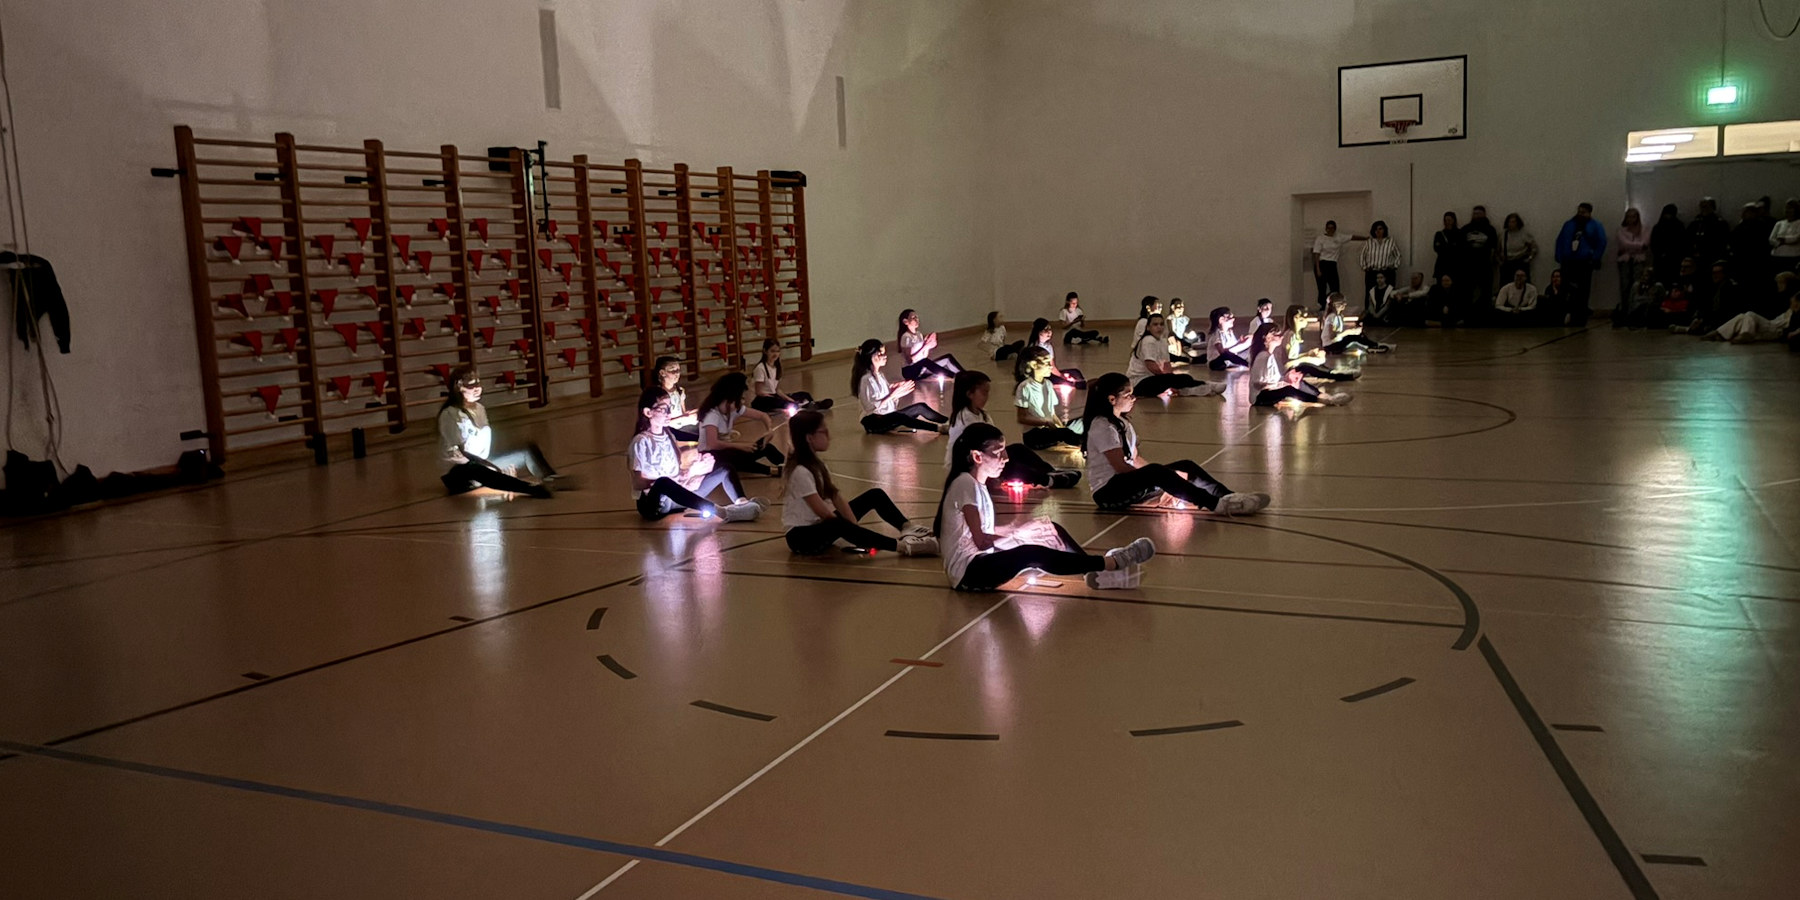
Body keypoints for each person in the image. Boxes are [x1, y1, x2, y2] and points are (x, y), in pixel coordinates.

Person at [936, 422, 1152, 591]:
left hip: (982, 561)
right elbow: (982, 542)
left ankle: (1093, 571)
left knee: (1050, 529)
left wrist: (1024, 530)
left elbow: (985, 534)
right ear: (977, 456)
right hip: (970, 572)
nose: (1006, 457)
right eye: (998, 451)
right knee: (1030, 553)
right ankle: (1112, 563)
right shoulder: (965, 483)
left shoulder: (976, 485)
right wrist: (1019, 535)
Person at [1081, 372, 1270, 513]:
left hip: (1126, 483)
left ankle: (1228, 495)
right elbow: (1121, 467)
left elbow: (1136, 459)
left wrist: (1164, 476)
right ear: (1112, 399)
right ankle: (1216, 505)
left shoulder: (1123, 422)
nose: (1133, 398)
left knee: (1184, 466)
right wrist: (1158, 481)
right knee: (1157, 472)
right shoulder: (1102, 426)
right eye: (1128, 394)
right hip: (1108, 493)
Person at [783, 410, 938, 556]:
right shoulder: (800, 471)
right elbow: (822, 512)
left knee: (874, 495)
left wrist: (854, 529)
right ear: (809, 438)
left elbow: (836, 497)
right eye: (823, 432)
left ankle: (907, 527)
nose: (829, 436)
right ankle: (903, 547)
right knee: (837, 524)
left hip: (819, 527)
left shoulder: (817, 465)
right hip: (802, 538)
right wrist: (849, 532)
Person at [630, 387, 762, 521]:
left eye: (670, 407)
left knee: (725, 469)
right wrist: (685, 475)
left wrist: (696, 468)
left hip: (677, 497)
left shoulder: (669, 436)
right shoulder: (641, 441)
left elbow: (678, 473)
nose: (669, 413)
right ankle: (722, 512)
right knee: (663, 482)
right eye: (664, 408)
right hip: (655, 505)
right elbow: (638, 483)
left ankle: (743, 504)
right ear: (648, 412)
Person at [437, 366, 557, 498]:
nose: (477, 388)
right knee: (473, 468)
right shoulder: (450, 414)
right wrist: (495, 468)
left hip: (482, 463)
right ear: (458, 387)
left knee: (526, 450)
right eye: (471, 385)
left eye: (478, 382)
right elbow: (464, 454)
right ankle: (529, 489)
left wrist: (493, 465)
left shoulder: (479, 409)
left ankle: (552, 480)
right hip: (461, 473)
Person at [945, 370, 1079, 489]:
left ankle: (1049, 471)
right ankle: (1047, 480)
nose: (987, 397)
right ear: (970, 394)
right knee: (1011, 466)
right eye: (984, 392)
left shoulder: (981, 414)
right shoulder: (964, 419)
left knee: (1018, 449)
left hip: (985, 458)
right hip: (970, 466)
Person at [697, 371, 786, 478]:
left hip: (728, 450)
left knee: (766, 447)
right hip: (712, 456)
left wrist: (769, 430)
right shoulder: (712, 415)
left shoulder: (734, 408)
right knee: (732, 460)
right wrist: (740, 446)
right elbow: (712, 444)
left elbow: (762, 416)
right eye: (741, 399)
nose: (743, 402)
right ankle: (772, 471)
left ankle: (787, 465)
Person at [853, 339, 948, 434]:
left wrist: (895, 391)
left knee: (920, 407)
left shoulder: (880, 375)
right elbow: (870, 407)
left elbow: (886, 399)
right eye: (881, 354)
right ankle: (939, 428)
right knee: (899, 417)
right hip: (874, 421)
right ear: (872, 357)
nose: (885, 357)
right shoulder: (866, 379)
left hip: (887, 415)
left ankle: (949, 422)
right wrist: (892, 395)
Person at [1249, 323, 1349, 408]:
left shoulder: (1269, 355)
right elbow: (1258, 384)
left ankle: (1322, 396)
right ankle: (1319, 400)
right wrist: (1282, 384)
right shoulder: (1262, 357)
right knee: (1289, 390)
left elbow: (1273, 379)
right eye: (1278, 335)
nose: (1281, 337)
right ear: (1268, 338)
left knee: (1298, 380)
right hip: (1260, 397)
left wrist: (1286, 380)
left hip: (1271, 389)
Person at [1129, 313, 1224, 398]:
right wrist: (1170, 380)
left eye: (1161, 324)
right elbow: (1151, 366)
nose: (1159, 327)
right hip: (1139, 382)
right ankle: (1206, 385)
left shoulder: (1162, 342)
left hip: (1154, 378)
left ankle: (1192, 388)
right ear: (1148, 327)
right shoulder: (1148, 340)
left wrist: (1172, 379)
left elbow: (1167, 365)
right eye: (1155, 324)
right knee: (1172, 380)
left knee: (1184, 378)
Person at [1013, 347, 1085, 450]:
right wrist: (1045, 422)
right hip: (1034, 435)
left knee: (1079, 423)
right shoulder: (1025, 387)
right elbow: (1022, 418)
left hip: (1049, 430)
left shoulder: (1048, 384)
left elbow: (1052, 414)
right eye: (1047, 363)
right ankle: (1084, 445)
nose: (1051, 366)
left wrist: (1060, 427)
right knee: (1065, 433)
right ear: (1033, 365)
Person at [1704, 272, 1795, 343]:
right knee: (1742, 316)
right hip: (1772, 324)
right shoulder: (1781, 297)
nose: (1779, 285)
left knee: (1750, 314)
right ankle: (1720, 333)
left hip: (1778, 329)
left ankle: (1745, 333)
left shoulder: (1794, 298)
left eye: (1781, 283)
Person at [1554, 203, 1606, 323]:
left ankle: (1580, 317)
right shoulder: (1568, 224)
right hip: (1568, 260)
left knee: (1583, 290)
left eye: (1583, 212)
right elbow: (1560, 240)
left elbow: (1601, 242)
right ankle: (1563, 315)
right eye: (1579, 211)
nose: (1580, 214)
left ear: (1589, 213)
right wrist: (1559, 255)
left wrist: (1595, 257)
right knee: (1565, 288)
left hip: (1584, 261)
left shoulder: (1596, 226)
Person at [750, 338, 830, 414]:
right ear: (765, 351)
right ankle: (804, 406)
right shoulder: (760, 368)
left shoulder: (777, 367)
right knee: (787, 404)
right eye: (772, 351)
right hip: (764, 399)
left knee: (805, 394)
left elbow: (777, 390)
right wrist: (779, 399)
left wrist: (789, 399)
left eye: (777, 351)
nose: (775, 354)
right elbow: (759, 392)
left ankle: (812, 404)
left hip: (774, 395)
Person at [1282, 305, 1361, 379]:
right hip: (1289, 368)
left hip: (1294, 364)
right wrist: (1308, 357)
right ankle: (1340, 376)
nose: (1307, 320)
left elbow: (1293, 356)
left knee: (1318, 363)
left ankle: (1335, 373)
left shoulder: (1293, 334)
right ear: (1296, 318)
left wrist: (1309, 353)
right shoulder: (1291, 335)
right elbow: (1290, 360)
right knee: (1310, 367)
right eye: (1305, 317)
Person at [895, 308, 963, 381]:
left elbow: (924, 356)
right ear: (906, 322)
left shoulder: (919, 334)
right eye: (913, 318)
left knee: (947, 358)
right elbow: (910, 360)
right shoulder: (906, 337)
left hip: (922, 367)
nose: (917, 319)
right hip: (910, 371)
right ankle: (956, 376)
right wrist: (925, 346)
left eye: (917, 317)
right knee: (925, 361)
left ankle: (964, 374)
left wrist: (929, 346)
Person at [1312, 220, 1367, 309]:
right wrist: (1318, 269)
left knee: (1335, 288)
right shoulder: (1320, 238)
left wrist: (1365, 238)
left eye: (1332, 228)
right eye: (1329, 228)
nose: (1330, 230)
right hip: (1322, 264)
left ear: (1335, 229)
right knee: (1322, 288)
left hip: (1332, 264)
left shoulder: (1339, 237)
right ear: (1326, 229)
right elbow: (1316, 254)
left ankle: (1334, 306)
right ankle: (1321, 306)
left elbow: (1352, 237)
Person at [1022, 317, 1086, 389]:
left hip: (1049, 372)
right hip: (1041, 376)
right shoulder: (1034, 347)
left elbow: (1052, 366)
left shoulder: (1048, 346)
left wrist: (1061, 375)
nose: (1049, 332)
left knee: (1075, 372)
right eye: (1045, 330)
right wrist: (1062, 376)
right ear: (1039, 332)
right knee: (1067, 382)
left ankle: (1082, 383)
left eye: (1050, 329)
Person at [1613, 207, 1650, 326]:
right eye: (1629, 216)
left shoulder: (1645, 229)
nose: (1631, 219)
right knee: (1625, 287)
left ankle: (1636, 312)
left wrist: (1630, 247)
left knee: (1637, 285)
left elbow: (1646, 244)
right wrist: (1638, 246)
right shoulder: (1621, 230)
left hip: (1639, 261)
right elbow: (1624, 243)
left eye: (1633, 216)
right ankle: (1625, 312)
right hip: (1625, 261)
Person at [1319, 295, 1390, 352]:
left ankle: (1373, 345)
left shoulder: (1339, 316)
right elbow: (1332, 337)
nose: (1345, 304)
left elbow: (1339, 332)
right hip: (1330, 346)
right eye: (1342, 302)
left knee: (1358, 335)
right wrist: (1348, 332)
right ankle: (1372, 346)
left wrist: (1353, 331)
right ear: (1335, 304)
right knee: (1351, 338)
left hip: (1335, 343)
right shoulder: (1332, 317)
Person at [655, 355, 699, 442]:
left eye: (678, 370)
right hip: (669, 429)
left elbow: (683, 412)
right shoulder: (659, 394)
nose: (676, 373)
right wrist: (684, 417)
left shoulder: (680, 391)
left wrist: (691, 414)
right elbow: (662, 421)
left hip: (681, 425)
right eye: (672, 370)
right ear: (662, 373)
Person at [1462, 205, 1499, 309]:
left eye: (1478, 213)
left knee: (1486, 291)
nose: (1476, 216)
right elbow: (1461, 248)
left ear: (1484, 214)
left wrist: (1491, 262)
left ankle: (1485, 314)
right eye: (1474, 213)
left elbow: (1493, 248)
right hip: (1469, 266)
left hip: (1485, 265)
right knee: (1468, 290)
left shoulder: (1490, 230)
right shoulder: (1465, 229)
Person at [1359, 220, 1401, 302]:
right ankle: (1370, 312)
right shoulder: (1369, 242)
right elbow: (1362, 256)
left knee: (1388, 294)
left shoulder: (1390, 241)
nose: (1378, 231)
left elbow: (1398, 255)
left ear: (1384, 230)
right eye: (1376, 229)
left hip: (1387, 272)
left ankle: (1388, 313)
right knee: (1370, 294)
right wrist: (1364, 267)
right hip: (1372, 272)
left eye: (1380, 229)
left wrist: (1395, 266)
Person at [1687, 197, 1730, 274]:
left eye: (1706, 206)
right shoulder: (1696, 223)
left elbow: (1722, 242)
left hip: (1712, 258)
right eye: (1702, 206)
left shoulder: (1720, 223)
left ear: (1712, 207)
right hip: (1696, 258)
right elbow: (1688, 238)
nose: (1704, 209)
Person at [1617, 265, 1666, 330]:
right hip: (1636, 312)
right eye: (1642, 275)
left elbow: (1661, 301)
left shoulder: (1657, 286)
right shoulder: (1636, 286)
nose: (1644, 278)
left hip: (1649, 312)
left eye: (1646, 276)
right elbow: (1631, 301)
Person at [1650, 203, 1687, 286]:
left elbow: (1682, 244)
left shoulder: (1679, 227)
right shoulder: (1658, 227)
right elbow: (1654, 244)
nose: (1668, 216)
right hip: (1660, 262)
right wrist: (1660, 254)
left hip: (1675, 262)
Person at [1498, 213, 1538, 285]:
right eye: (1509, 222)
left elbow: (1534, 248)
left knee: (1522, 284)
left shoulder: (1524, 234)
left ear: (1518, 223)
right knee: (1506, 285)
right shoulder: (1503, 234)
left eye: (1513, 222)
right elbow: (1498, 249)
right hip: (1507, 263)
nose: (1511, 224)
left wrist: (1529, 258)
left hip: (1520, 262)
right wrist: (1499, 261)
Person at [1771, 198, 1800, 277]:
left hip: (1792, 256)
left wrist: (1784, 240)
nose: (1788, 210)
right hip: (1778, 255)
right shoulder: (1779, 223)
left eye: (1790, 208)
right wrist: (1778, 243)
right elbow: (1771, 238)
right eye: (1786, 208)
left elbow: (1796, 237)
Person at [1432, 211, 1463, 283]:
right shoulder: (1439, 234)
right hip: (1442, 264)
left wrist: (1447, 248)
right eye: (1445, 220)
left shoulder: (1460, 233)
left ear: (1453, 220)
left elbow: (1461, 249)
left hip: (1456, 265)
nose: (1447, 222)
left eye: (1449, 220)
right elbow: (1437, 248)